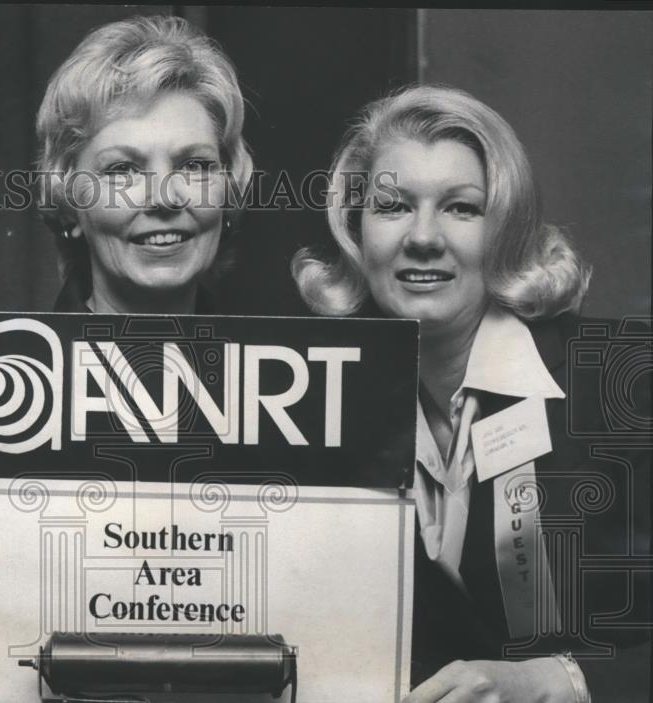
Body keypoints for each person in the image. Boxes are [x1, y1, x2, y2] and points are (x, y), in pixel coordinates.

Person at [293, 84, 650, 702]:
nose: (423, 237)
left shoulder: (627, 378)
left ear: (505, 229)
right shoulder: (315, 400)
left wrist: (560, 682)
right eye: (393, 206)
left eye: (461, 208)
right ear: (356, 230)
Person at [35, 15, 253, 314]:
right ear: (70, 205)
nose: (165, 198)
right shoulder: (6, 360)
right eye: (123, 170)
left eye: (194, 166)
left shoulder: (277, 362)